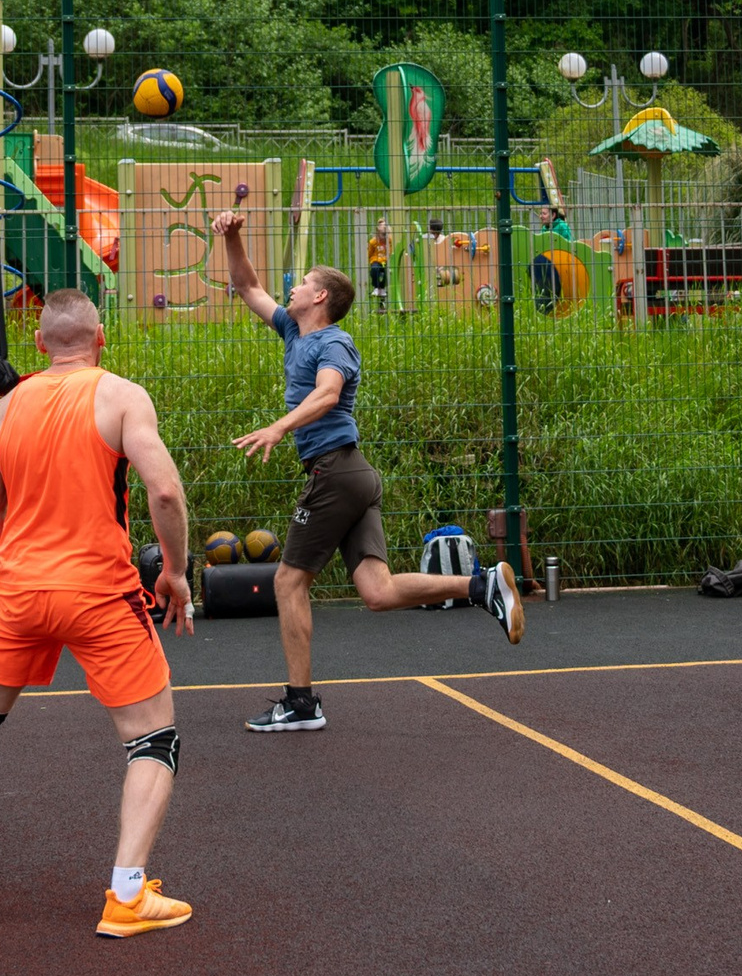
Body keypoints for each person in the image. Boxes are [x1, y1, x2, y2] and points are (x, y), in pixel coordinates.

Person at [0, 289, 199, 938]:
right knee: (155, 737)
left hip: (22, 591)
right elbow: (166, 489)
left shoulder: (4, 408)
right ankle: (125, 893)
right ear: (101, 337)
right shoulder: (120, 395)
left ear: (40, 344)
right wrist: (174, 572)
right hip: (98, 590)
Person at [210, 210, 522, 735]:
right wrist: (233, 236)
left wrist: (279, 428)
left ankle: (301, 702)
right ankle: (481, 586)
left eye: (303, 282)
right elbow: (246, 284)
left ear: (321, 298)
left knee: (288, 582)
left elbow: (329, 393)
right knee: (376, 592)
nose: (293, 286)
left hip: (335, 472)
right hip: (349, 474)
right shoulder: (292, 331)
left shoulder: (334, 343)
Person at [366, 218, 390, 311]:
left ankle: (382, 289)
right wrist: (373, 260)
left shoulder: (390, 240)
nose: (384, 236)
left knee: (385, 273)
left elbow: (391, 251)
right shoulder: (373, 242)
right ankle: (377, 287)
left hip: (386, 261)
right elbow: (370, 254)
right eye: (383, 234)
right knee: (375, 269)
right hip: (376, 261)